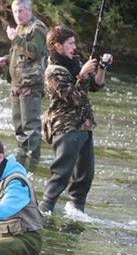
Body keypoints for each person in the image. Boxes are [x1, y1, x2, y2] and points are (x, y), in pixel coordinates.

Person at [39, 25, 113, 214]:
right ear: (58, 46)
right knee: (61, 174)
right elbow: (75, 97)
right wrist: (81, 75)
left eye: (74, 43)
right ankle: (43, 209)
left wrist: (101, 68)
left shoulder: (74, 63)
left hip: (84, 126)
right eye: (70, 43)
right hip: (66, 128)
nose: (74, 47)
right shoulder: (53, 72)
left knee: (85, 174)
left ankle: (76, 209)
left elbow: (95, 86)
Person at [0, 0, 47, 170]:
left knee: (31, 129)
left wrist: (14, 38)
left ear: (29, 10)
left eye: (21, 11)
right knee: (19, 129)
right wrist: (6, 59)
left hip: (30, 86)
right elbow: (19, 55)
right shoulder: (19, 28)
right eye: (15, 12)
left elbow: (33, 51)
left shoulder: (37, 28)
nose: (18, 15)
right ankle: (20, 165)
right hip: (16, 86)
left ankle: (32, 167)